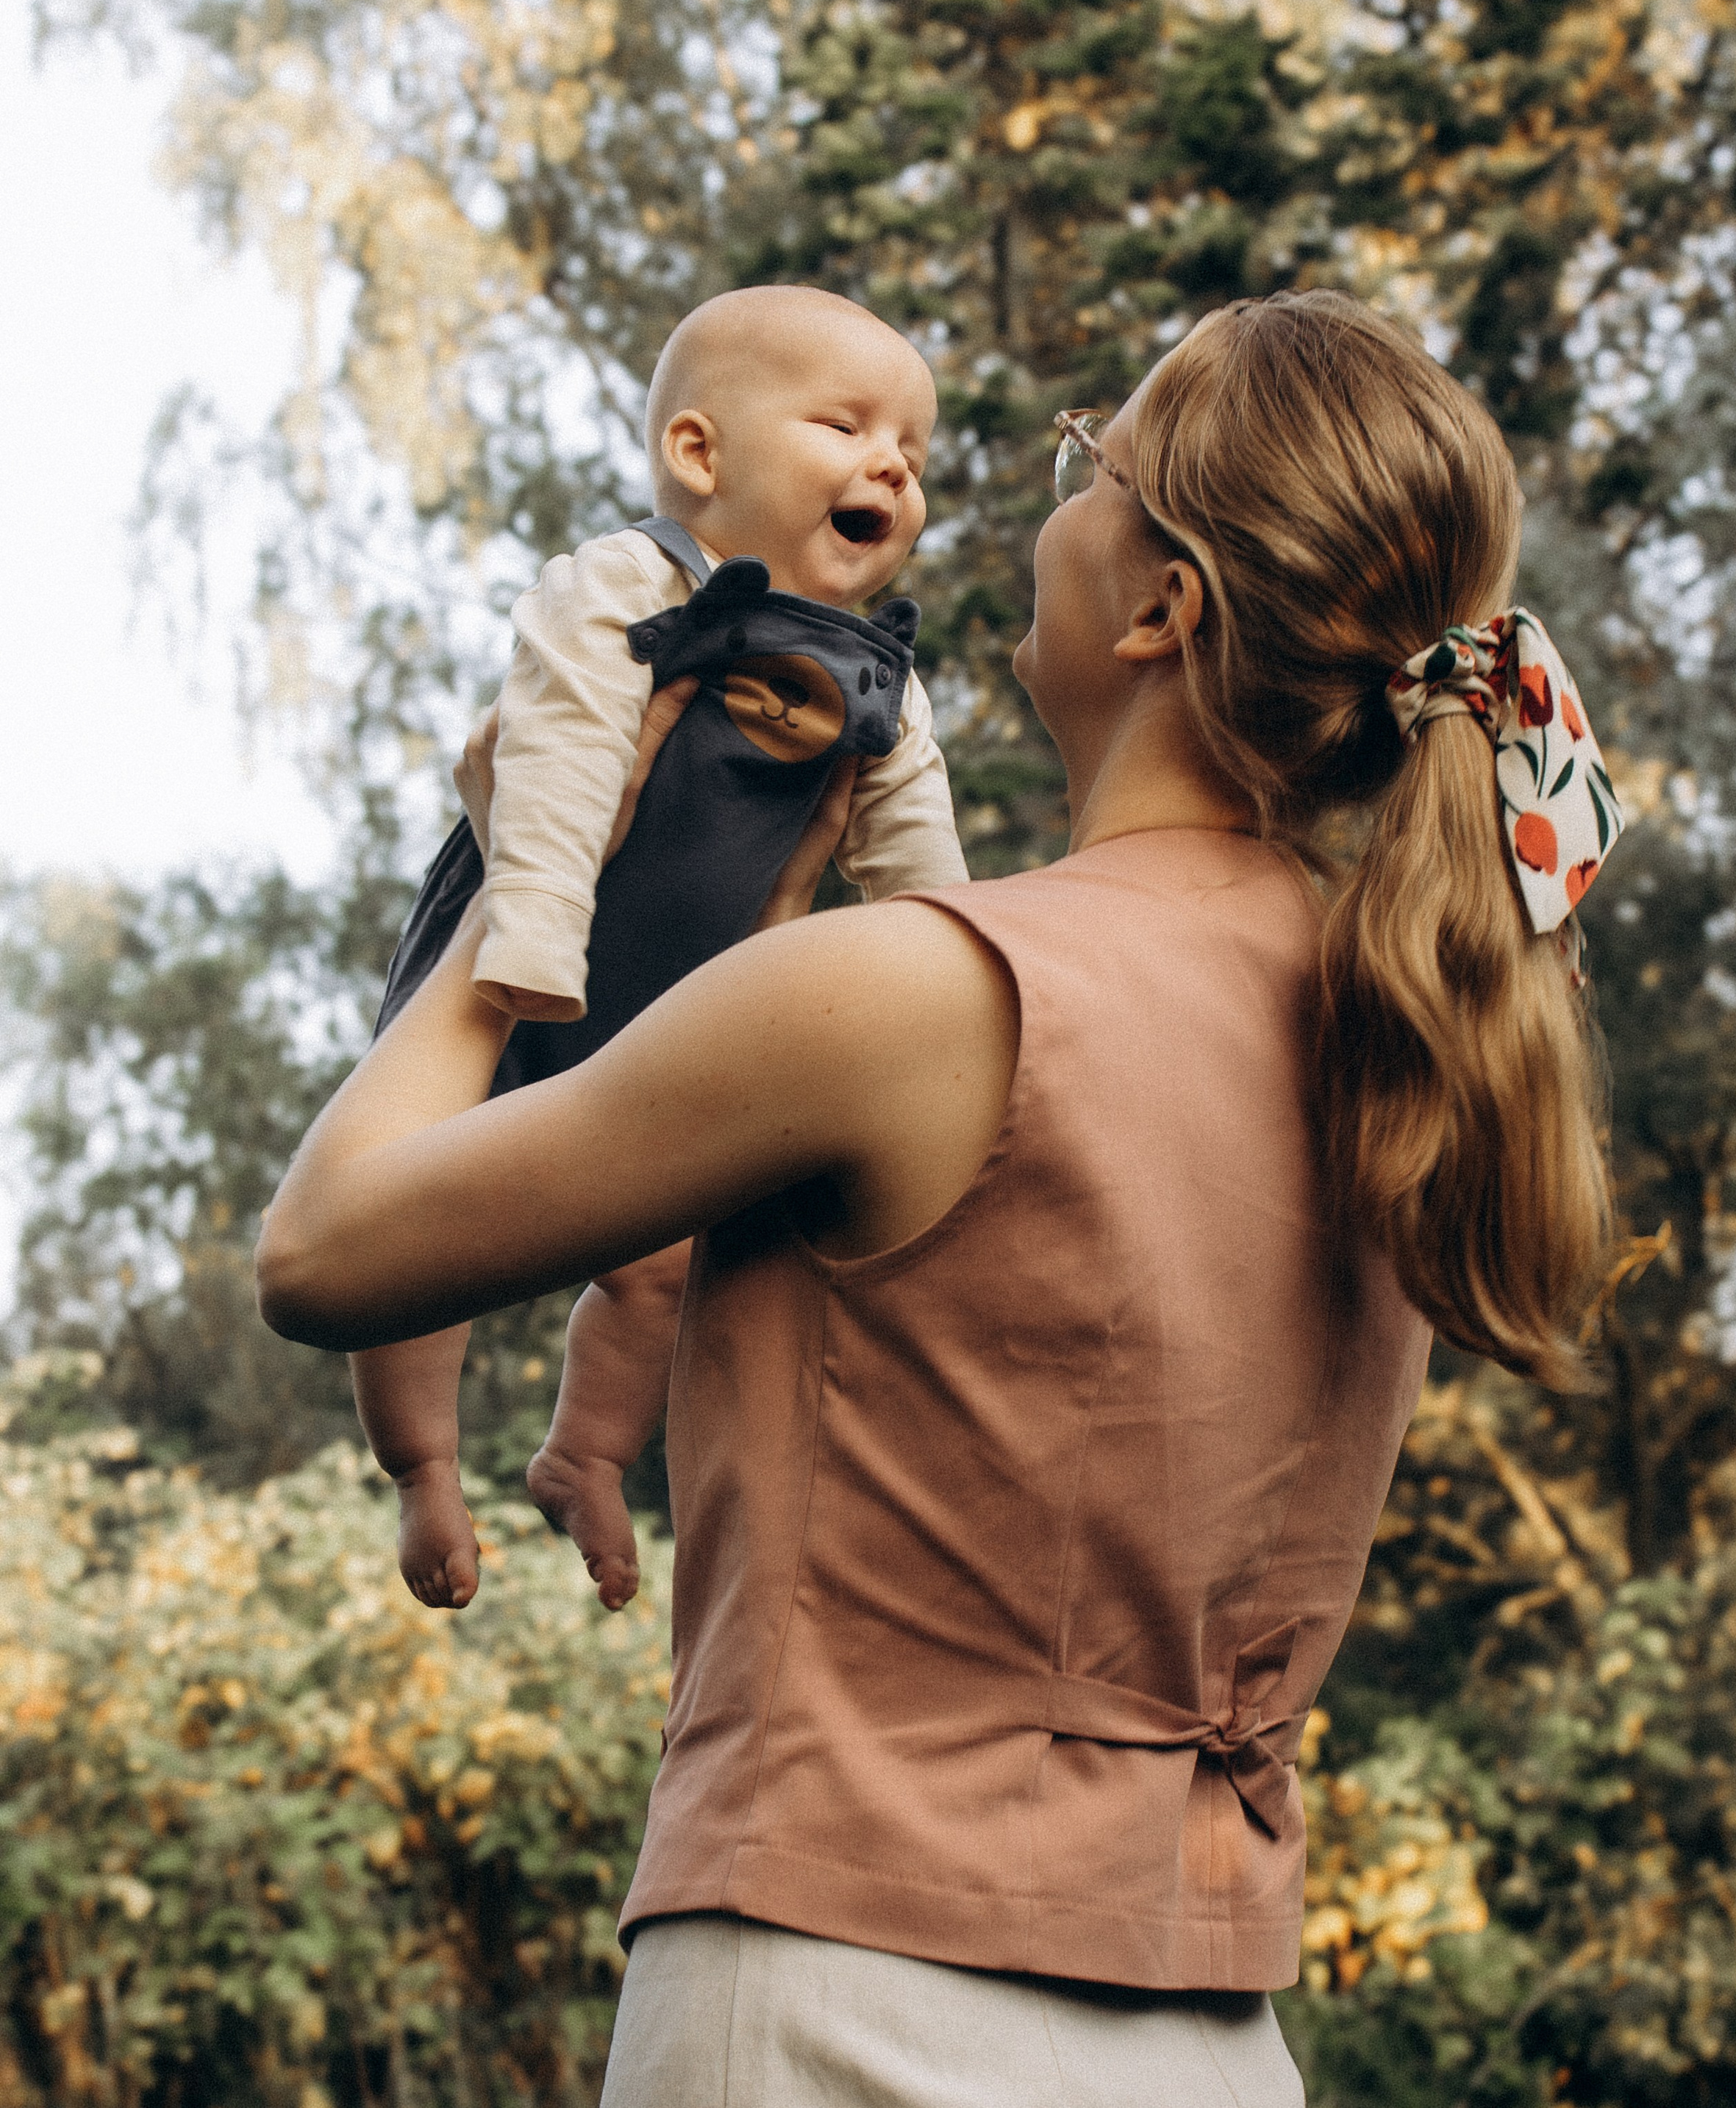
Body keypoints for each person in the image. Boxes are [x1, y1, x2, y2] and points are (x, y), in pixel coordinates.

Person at [258, 291, 1618, 2107]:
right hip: (1213, 2036)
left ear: (1157, 606)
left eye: (1088, 463)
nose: (1035, 501)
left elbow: (327, 1251)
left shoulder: (911, 993)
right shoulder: (1411, 1041)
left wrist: (531, 870)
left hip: (835, 2005)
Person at [349, 285, 969, 1614]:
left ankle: (587, 1451)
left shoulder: (881, 682)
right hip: (532, 940)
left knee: (663, 1262)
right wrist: (530, 931)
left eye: (913, 449)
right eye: (847, 425)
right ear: (701, 457)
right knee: (412, 1216)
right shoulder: (632, 585)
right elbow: (565, 757)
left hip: (681, 1003)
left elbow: (927, 881)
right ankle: (421, 1468)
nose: (895, 466)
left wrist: (963, 1001)